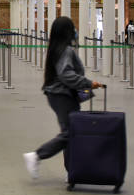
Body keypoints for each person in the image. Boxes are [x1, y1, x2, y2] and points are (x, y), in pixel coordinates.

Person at [23, 16, 102, 179]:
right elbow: (66, 75)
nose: (75, 31)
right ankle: (37, 155)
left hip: (60, 95)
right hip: (62, 96)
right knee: (70, 132)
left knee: (70, 133)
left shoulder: (57, 48)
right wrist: (88, 83)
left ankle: (71, 172)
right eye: (73, 27)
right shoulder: (65, 51)